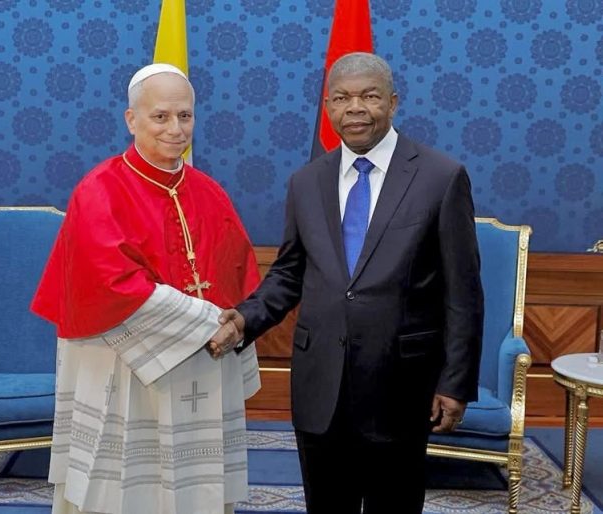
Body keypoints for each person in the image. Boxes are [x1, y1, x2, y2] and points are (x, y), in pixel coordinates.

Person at [208, 52, 484, 513]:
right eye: (341, 98)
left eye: (369, 96)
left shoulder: (441, 177)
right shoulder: (306, 182)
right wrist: (244, 320)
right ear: (328, 108)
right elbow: (289, 272)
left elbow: (464, 292)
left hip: (400, 385)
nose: (355, 108)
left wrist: (455, 382)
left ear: (393, 102)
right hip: (320, 385)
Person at [31, 63, 262, 514]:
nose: (176, 129)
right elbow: (112, 283)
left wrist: (239, 324)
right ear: (131, 119)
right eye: (161, 116)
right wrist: (210, 322)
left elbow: (240, 273)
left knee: (195, 487)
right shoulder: (99, 190)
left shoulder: (209, 192)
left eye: (185, 116)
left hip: (204, 362)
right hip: (124, 365)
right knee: (124, 488)